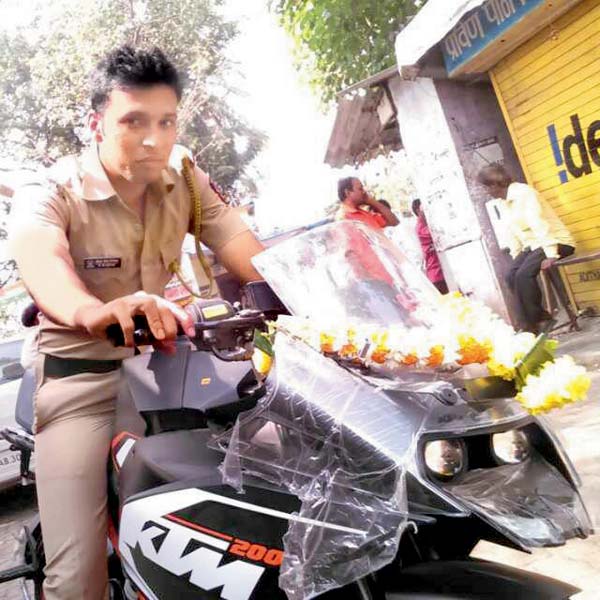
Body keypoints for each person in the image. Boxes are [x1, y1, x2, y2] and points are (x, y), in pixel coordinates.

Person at [9, 45, 264, 600]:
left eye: (166, 121)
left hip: (164, 372)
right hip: (80, 380)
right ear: (95, 123)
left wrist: (312, 294)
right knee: (77, 581)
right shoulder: (50, 191)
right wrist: (93, 312)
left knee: (238, 510)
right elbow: (41, 259)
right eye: (133, 121)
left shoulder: (186, 178)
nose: (154, 139)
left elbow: (245, 250)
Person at [478, 163, 575, 333]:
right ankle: (531, 322)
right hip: (534, 245)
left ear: (495, 183)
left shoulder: (524, 193)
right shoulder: (502, 202)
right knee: (511, 276)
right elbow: (513, 232)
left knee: (523, 275)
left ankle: (537, 322)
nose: (487, 191)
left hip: (556, 241)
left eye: (487, 187)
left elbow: (539, 223)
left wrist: (552, 254)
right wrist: (517, 258)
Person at [412, 199, 448, 294]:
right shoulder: (421, 228)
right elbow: (439, 233)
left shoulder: (426, 225)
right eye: (424, 208)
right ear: (418, 211)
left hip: (441, 272)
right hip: (437, 274)